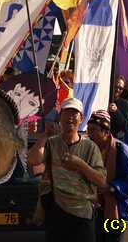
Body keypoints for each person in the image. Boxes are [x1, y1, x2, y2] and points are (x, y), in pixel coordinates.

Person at [28, 97, 107, 242]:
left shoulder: (90, 147)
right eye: (66, 113)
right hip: (57, 211)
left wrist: (81, 164)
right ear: (59, 117)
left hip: (82, 213)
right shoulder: (51, 143)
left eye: (74, 114)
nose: (70, 117)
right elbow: (33, 160)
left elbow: (100, 181)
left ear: (81, 119)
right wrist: (44, 135)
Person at [86, 110, 128, 242]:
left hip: (117, 209)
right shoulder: (90, 150)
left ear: (106, 132)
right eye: (88, 130)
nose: (90, 134)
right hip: (96, 210)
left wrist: (111, 187)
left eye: (94, 130)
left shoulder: (121, 151)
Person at [109, 75, 128, 142]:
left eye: (120, 88)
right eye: (115, 86)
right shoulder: (103, 100)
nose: (117, 90)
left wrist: (116, 112)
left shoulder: (124, 104)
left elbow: (126, 127)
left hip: (117, 142)